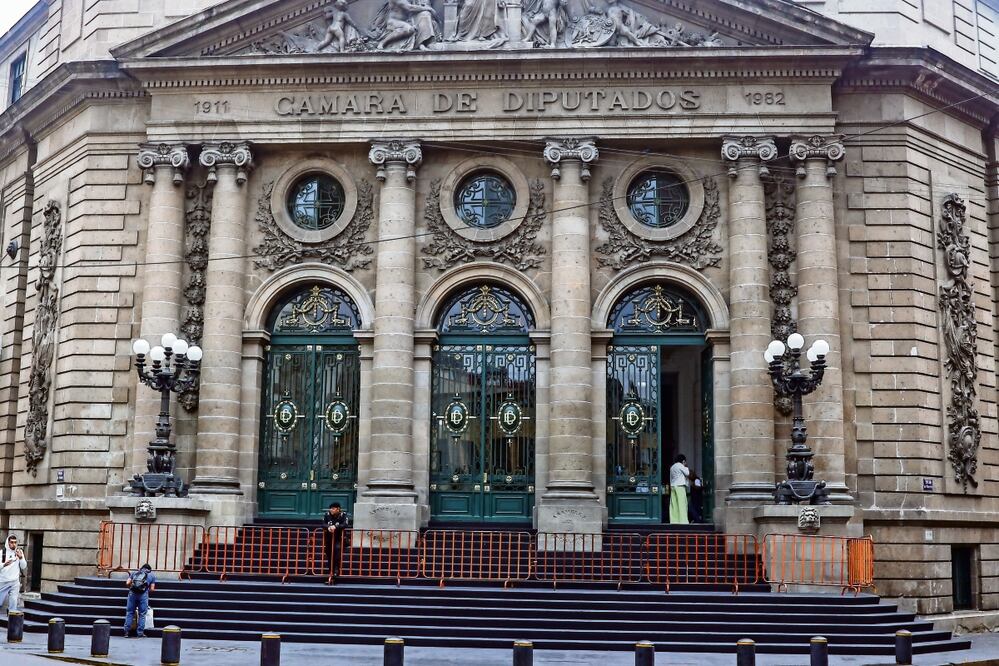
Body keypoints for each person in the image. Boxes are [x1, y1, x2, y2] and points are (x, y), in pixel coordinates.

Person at [123, 563, 156, 638]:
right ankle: (140, 633)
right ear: (149, 569)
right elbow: (152, 589)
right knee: (142, 614)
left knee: (130, 612)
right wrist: (145, 590)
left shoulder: (134, 573)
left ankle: (126, 632)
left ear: (141, 568)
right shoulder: (152, 575)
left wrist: (131, 589)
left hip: (132, 594)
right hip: (143, 595)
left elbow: (127, 583)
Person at [323, 502, 350, 579]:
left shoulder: (343, 515)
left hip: (339, 538)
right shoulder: (327, 515)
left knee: (337, 553)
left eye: (333, 508)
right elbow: (322, 524)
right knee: (329, 554)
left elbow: (345, 524)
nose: (331, 510)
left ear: (338, 509)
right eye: (331, 508)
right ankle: (330, 571)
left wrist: (335, 527)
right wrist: (328, 527)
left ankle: (336, 571)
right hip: (329, 538)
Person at [0, 535, 26, 613]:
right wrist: (4, 564)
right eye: (12, 542)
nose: (14, 544)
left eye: (15, 542)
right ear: (8, 543)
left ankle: (12, 620)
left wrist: (21, 558)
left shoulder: (19, 552)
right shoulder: (2, 553)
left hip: (15, 582)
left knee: (13, 604)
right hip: (3, 581)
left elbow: (24, 566)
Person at [668, 454, 690, 524]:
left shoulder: (672, 467)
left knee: (674, 504)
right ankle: (683, 521)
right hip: (680, 486)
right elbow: (687, 473)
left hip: (673, 486)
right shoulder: (680, 465)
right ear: (683, 461)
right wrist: (686, 466)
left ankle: (674, 521)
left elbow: (671, 478)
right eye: (685, 462)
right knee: (682, 504)